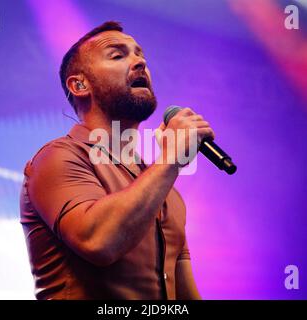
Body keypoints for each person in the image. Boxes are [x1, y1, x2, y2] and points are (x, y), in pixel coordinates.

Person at [20, 21, 214, 299]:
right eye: (117, 55)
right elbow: (99, 242)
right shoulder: (58, 157)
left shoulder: (166, 190)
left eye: (140, 55)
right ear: (79, 84)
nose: (139, 62)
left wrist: (167, 165)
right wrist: (171, 159)